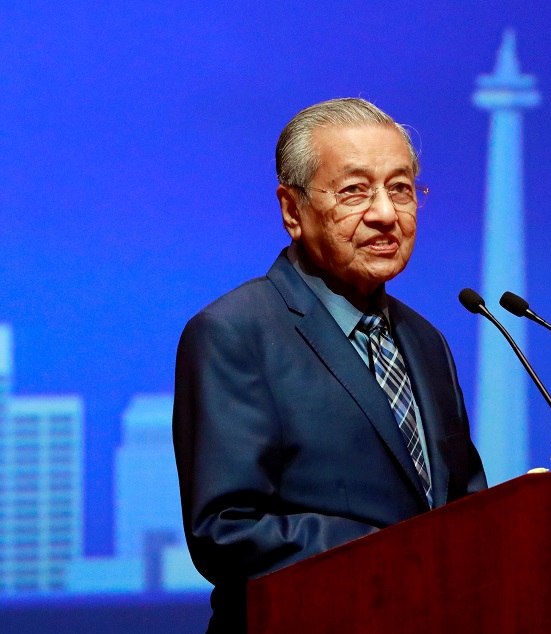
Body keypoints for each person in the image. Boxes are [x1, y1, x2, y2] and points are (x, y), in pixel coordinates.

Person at [172, 97, 487, 633]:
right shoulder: (235, 332)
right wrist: (402, 553)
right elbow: (226, 531)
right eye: (354, 191)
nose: (386, 214)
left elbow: (462, 507)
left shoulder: (426, 340)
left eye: (402, 189)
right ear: (292, 211)